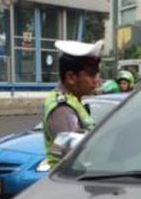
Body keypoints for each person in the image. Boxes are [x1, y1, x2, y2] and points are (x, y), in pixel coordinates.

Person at [42, 39, 103, 167]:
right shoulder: (63, 109)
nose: (96, 81)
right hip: (70, 182)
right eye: (91, 75)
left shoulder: (72, 100)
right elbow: (73, 157)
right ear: (71, 77)